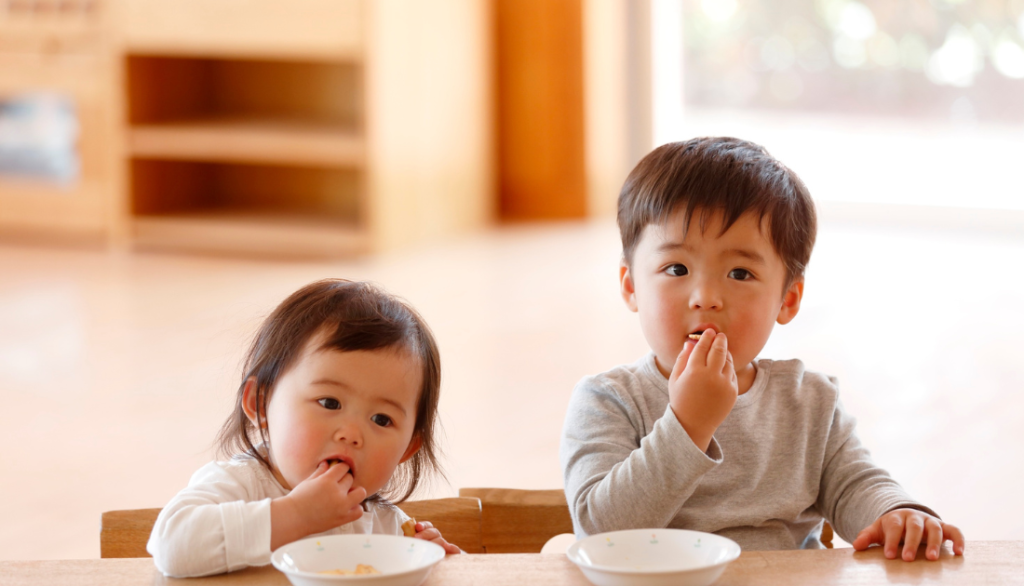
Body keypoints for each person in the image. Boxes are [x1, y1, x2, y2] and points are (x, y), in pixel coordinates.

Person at [560, 137, 965, 561]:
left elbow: (855, 485)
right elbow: (599, 531)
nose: (706, 297)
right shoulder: (607, 401)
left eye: (740, 273)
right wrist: (688, 426)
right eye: (676, 268)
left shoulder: (809, 401)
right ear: (631, 286)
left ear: (787, 299)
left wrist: (896, 512)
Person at [148, 279, 461, 577]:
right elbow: (171, 546)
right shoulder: (238, 487)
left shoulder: (387, 529)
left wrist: (422, 558)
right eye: (329, 403)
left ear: (408, 447)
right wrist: (296, 514)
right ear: (260, 404)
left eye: (381, 419)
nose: (351, 434)